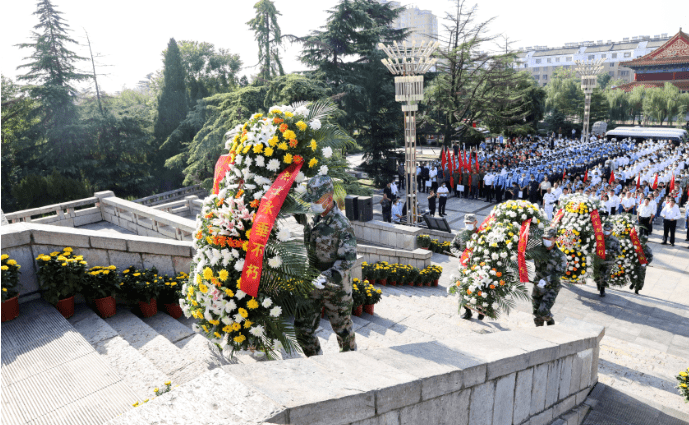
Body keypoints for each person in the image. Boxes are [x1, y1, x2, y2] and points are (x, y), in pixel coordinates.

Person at [295, 175, 357, 356]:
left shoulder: (342, 225)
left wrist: (326, 277)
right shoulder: (311, 216)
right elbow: (296, 212)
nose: (312, 204)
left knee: (344, 334)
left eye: (316, 200)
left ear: (329, 199)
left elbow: (348, 259)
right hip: (311, 284)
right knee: (302, 329)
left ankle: (351, 369)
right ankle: (317, 362)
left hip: (335, 288)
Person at [450, 214, 484, 321]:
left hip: (478, 266)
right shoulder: (461, 234)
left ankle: (481, 309)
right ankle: (468, 311)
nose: (468, 225)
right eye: (466, 223)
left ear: (476, 222)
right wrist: (459, 254)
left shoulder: (482, 235)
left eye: (470, 223)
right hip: (464, 266)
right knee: (464, 289)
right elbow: (452, 246)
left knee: (479, 289)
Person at [531, 227, 567, 326]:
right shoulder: (538, 250)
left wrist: (546, 280)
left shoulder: (560, 256)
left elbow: (560, 272)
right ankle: (540, 330)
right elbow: (526, 254)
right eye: (544, 238)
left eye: (549, 238)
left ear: (555, 239)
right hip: (538, 284)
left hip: (552, 286)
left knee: (542, 310)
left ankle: (550, 321)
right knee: (536, 311)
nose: (546, 240)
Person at [597, 221, 621, 297]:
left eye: (608, 230)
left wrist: (610, 252)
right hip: (599, 259)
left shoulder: (615, 240)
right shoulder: (599, 237)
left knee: (605, 276)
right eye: (605, 229)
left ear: (611, 230)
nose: (606, 231)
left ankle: (602, 290)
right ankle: (599, 285)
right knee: (598, 276)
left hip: (608, 261)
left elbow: (619, 252)